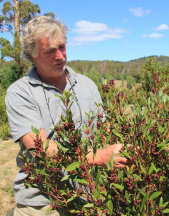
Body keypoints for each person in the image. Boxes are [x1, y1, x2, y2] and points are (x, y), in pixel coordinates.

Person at [5, 16, 129, 216]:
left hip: (90, 196)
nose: (60, 56)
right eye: (50, 51)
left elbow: (104, 133)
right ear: (32, 55)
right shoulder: (19, 92)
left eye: (61, 47)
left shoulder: (87, 84)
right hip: (44, 202)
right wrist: (99, 157)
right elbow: (41, 149)